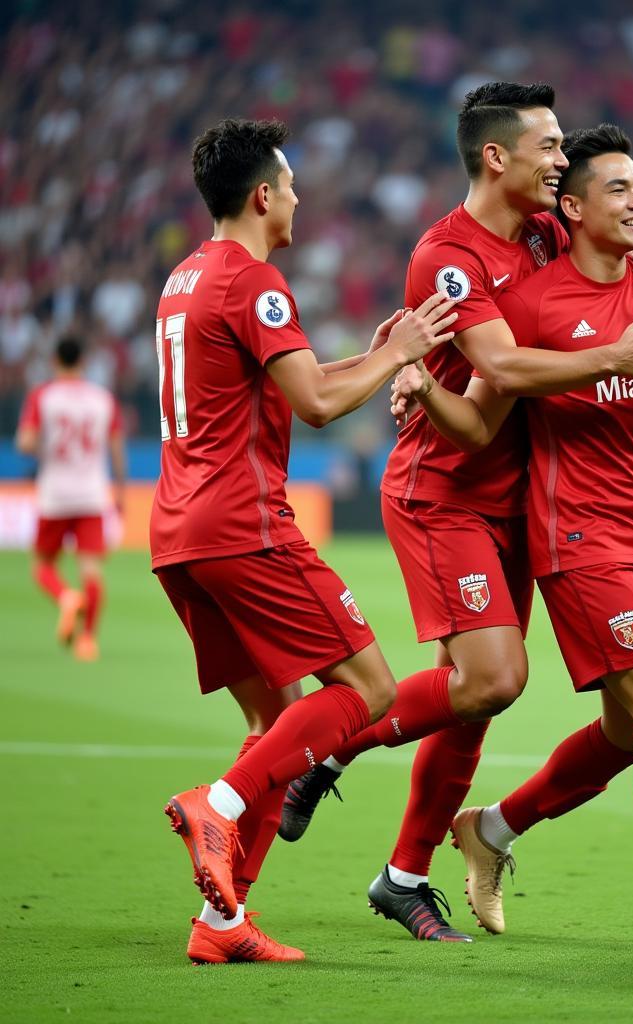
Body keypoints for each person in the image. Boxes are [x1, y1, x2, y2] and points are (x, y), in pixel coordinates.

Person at [276, 82, 633, 943]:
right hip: (449, 488)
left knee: (478, 699)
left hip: (529, 496)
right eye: (548, 146)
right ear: (497, 156)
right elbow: (502, 369)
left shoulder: (546, 231)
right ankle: (334, 741)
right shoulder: (447, 257)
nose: (562, 158)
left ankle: (402, 875)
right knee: (493, 678)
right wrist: (616, 352)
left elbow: (607, 252)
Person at [393, 123, 633, 960]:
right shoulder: (534, 305)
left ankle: (491, 830)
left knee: (627, 733)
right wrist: (422, 386)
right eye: (620, 188)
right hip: (576, 538)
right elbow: (482, 411)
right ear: (571, 207)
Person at [152, 117, 457, 964]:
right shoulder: (257, 282)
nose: (296, 197)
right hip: (243, 523)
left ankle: (222, 926)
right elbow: (320, 409)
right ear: (261, 195)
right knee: (369, 688)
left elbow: (299, 385)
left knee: (277, 718)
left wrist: (374, 355)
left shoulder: (185, 279)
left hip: (179, 531)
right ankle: (219, 801)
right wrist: (396, 354)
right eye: (288, 185)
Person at [16, 335, 125, 661]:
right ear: (84, 362)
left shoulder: (43, 396)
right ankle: (88, 640)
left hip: (55, 494)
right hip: (92, 493)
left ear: (54, 362)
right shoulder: (102, 399)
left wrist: (46, 450)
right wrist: (119, 491)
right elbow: (117, 450)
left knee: (43, 566)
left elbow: (25, 442)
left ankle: (65, 596)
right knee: (92, 570)